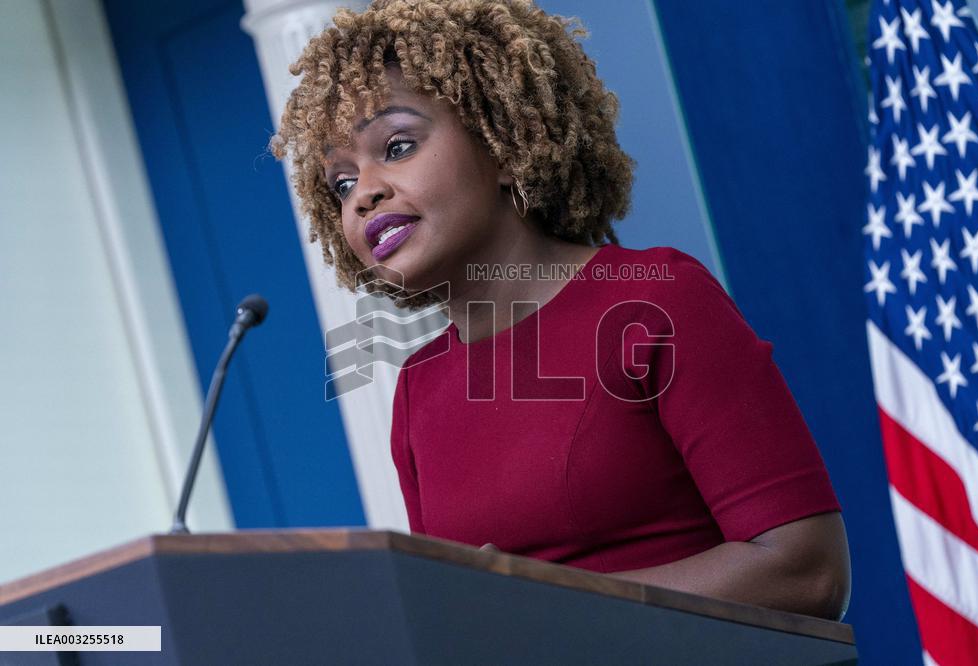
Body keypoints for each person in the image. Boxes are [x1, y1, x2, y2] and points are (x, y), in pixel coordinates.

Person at [270, 0, 851, 621]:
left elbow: (807, 572)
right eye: (340, 182)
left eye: (399, 144)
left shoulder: (654, 302)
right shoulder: (419, 388)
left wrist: (553, 602)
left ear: (499, 139)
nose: (364, 193)